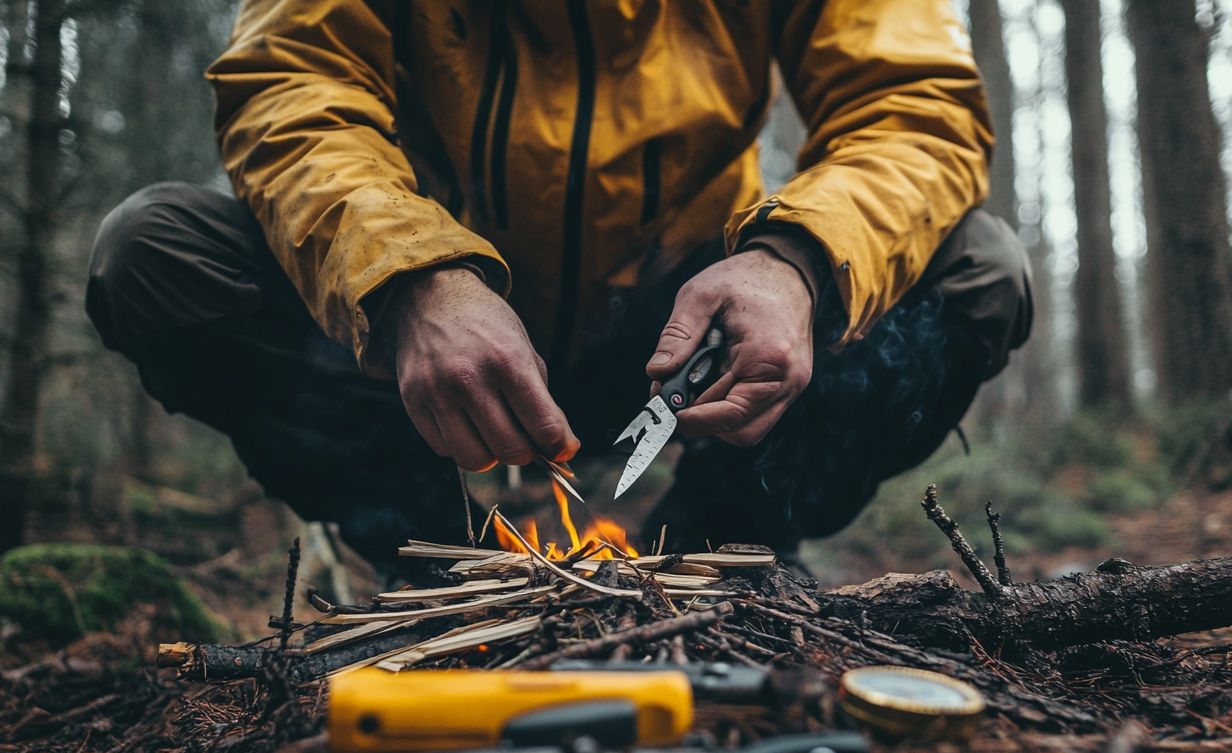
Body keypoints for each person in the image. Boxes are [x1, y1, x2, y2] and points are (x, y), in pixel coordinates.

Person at [86, 0, 1032, 572]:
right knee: (159, 256)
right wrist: (408, 274)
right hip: (441, 324)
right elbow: (292, 83)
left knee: (979, 268)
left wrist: (798, 261)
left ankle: (722, 552)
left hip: (687, 325)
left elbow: (913, 107)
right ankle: (432, 555)